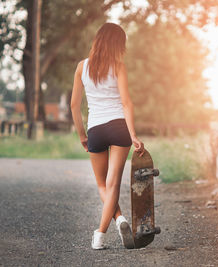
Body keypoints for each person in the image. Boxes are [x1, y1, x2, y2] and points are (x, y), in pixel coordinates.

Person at [70, 22, 144, 250]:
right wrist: (133, 134)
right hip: (119, 128)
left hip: (96, 130)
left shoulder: (82, 67)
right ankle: (105, 230)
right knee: (113, 185)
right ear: (117, 45)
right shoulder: (118, 66)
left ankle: (111, 225)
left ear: (98, 41)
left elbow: (74, 105)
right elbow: (126, 102)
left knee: (102, 185)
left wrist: (82, 135)